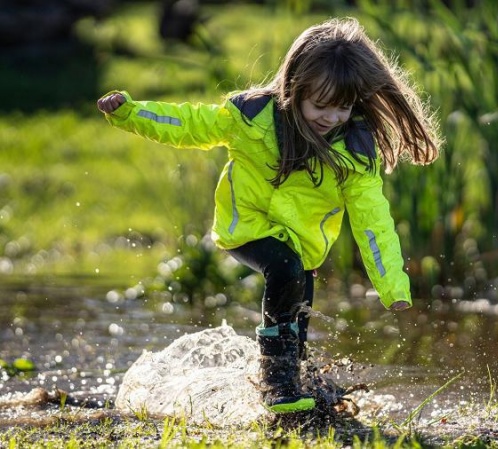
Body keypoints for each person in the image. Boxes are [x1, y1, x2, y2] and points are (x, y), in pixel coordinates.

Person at [97, 17, 441, 414]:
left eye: (343, 108)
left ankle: (300, 391)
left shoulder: (356, 154)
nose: (331, 118)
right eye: (321, 106)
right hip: (246, 227)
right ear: (294, 89)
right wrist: (130, 112)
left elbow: (373, 222)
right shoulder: (251, 116)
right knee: (284, 267)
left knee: (299, 319)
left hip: (304, 248)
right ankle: (274, 383)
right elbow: (189, 124)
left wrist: (393, 286)